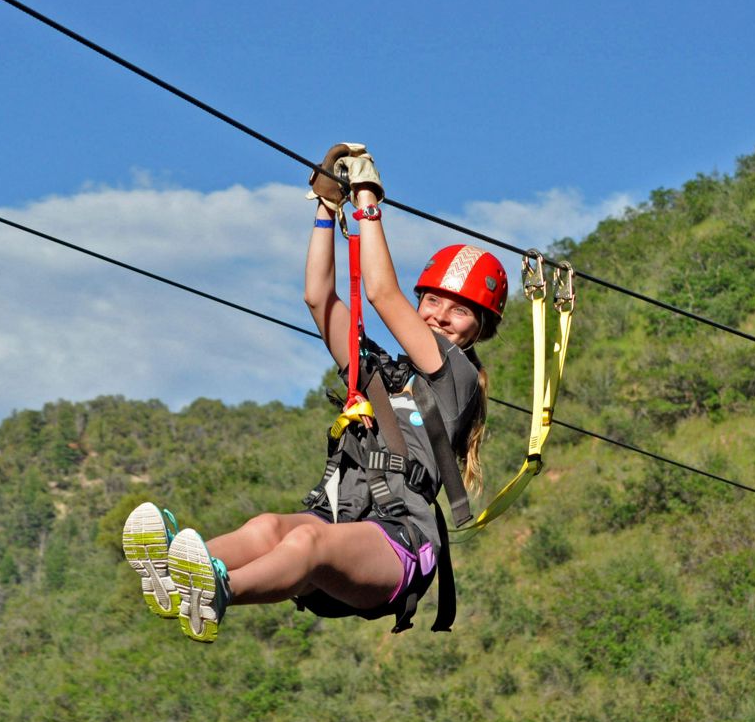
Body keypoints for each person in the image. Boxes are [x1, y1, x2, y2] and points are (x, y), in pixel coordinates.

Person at [122, 145, 508, 640]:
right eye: (432, 301)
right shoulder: (377, 377)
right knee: (268, 526)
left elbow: (382, 295)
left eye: (459, 310)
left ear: (479, 329)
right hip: (337, 523)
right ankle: (178, 578)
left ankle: (219, 590)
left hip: (397, 545)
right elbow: (319, 299)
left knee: (307, 539)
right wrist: (326, 210)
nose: (439, 315)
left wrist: (367, 199)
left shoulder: (456, 378)